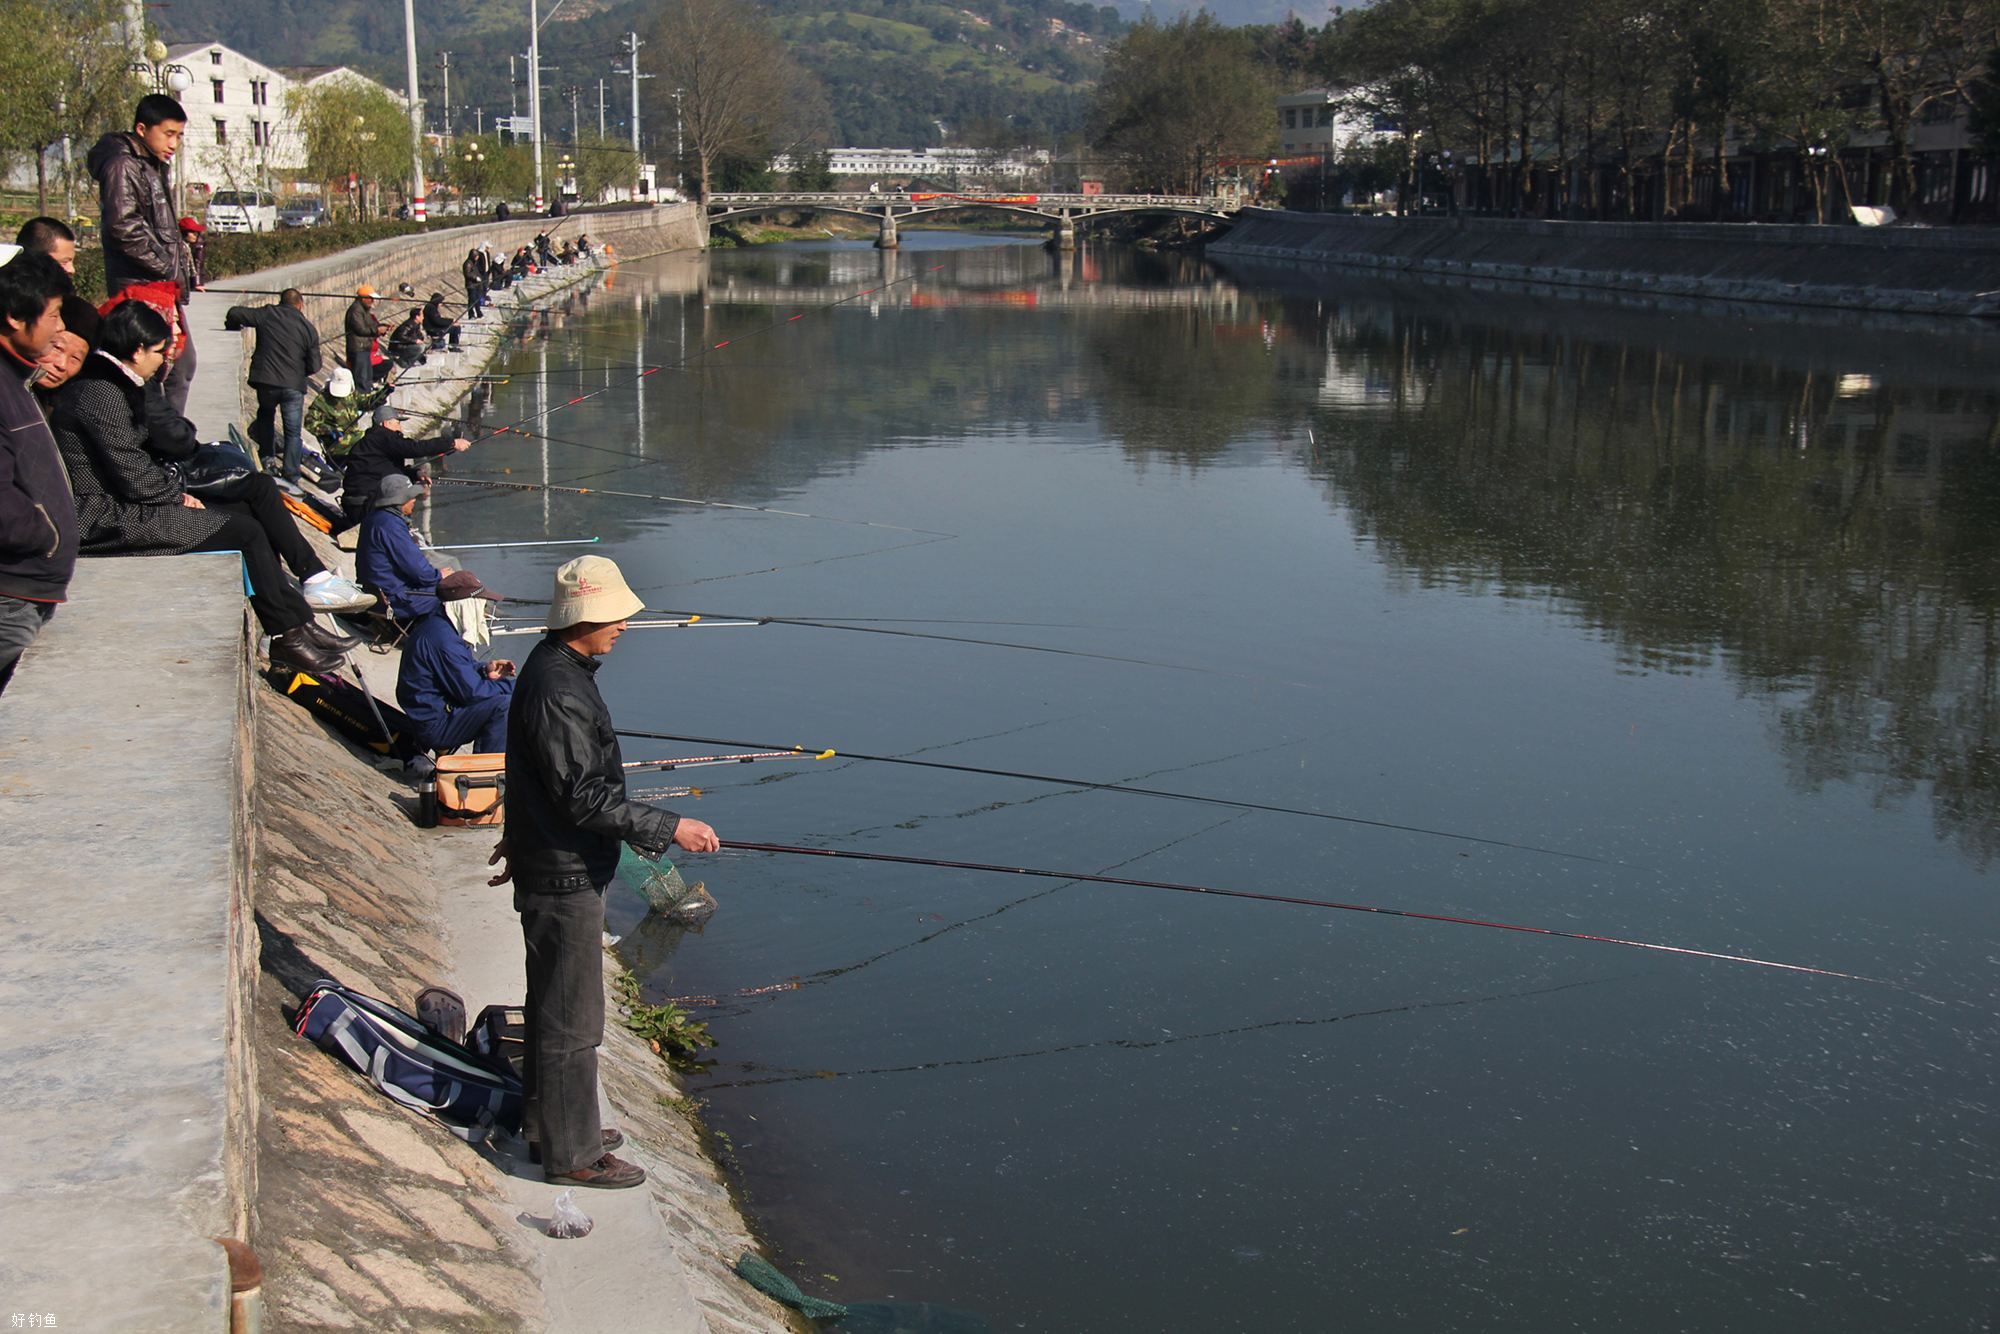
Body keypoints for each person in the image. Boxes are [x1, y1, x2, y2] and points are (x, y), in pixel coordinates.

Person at [488, 555, 720, 1188]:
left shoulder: (556, 670)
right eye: (615, 615)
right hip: (563, 876)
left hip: (554, 860)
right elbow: (582, 796)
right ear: (583, 617)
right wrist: (671, 826)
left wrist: (519, 836)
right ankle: (573, 1156)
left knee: (552, 1005)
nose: (623, 625)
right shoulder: (560, 688)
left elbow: (539, 779)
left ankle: (553, 1124)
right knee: (574, 1019)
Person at [48, 301, 368, 673]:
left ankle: (296, 624)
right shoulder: (100, 394)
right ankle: (286, 635)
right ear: (137, 351)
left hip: (123, 501)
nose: (161, 362)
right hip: (104, 516)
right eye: (157, 353)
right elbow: (133, 473)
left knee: (249, 512)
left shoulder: (110, 386)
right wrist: (177, 496)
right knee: (246, 531)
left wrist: (172, 493)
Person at [88, 95, 197, 414]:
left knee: (180, 364)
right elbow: (123, 227)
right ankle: (161, 445)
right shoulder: (124, 165)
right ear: (141, 129)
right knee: (161, 369)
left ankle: (168, 438)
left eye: (179, 136)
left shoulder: (149, 164)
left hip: (158, 285)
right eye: (168, 134)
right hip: (141, 286)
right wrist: (165, 266)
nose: (174, 144)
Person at [0, 252, 77, 696]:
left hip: (28, 590)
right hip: (11, 596)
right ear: (14, 316)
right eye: (53, 315)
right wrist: (45, 536)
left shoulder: (16, 380)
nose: (59, 328)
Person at [396, 570, 512, 756]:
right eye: (480, 604)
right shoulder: (444, 640)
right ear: (466, 606)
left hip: (430, 713)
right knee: (504, 705)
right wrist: (514, 687)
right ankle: (487, 773)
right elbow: (472, 693)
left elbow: (455, 671)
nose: (483, 610)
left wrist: (484, 670)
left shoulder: (438, 625)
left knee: (506, 693)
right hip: (435, 724)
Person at [224, 288, 321, 487]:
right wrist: (299, 369)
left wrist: (232, 325)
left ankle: (267, 460)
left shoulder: (268, 314)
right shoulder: (307, 327)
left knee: (266, 416)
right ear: (300, 304)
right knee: (293, 432)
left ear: (280, 301)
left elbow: (234, 312)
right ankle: (291, 474)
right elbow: (315, 365)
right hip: (293, 386)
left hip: (266, 382)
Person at [337, 403, 470, 530]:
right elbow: (414, 448)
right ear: (386, 423)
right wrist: (451, 444)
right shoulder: (383, 436)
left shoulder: (371, 441)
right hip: (365, 504)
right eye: (398, 423)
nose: (400, 428)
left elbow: (384, 469)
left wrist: (415, 473)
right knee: (404, 497)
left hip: (356, 503)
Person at [355, 472, 444, 622]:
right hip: (393, 599)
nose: (414, 500)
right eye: (410, 497)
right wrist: (440, 576)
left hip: (377, 592)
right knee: (456, 591)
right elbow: (419, 571)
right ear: (399, 500)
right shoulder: (392, 525)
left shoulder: (375, 518)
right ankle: (438, 641)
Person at [344, 286, 386, 392]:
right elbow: (360, 329)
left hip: (365, 348)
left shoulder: (365, 310)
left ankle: (367, 396)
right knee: (361, 378)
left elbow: (371, 325)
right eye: (370, 298)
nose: (372, 301)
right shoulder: (355, 310)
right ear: (363, 298)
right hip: (358, 349)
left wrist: (381, 328)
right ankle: (362, 400)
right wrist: (376, 330)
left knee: (368, 376)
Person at [178, 217, 207, 289]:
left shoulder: (187, 246)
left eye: (197, 233)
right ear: (184, 233)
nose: (195, 235)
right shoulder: (180, 248)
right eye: (192, 232)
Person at [460, 249, 486, 318]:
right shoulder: (468, 263)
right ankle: (471, 314)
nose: (477, 258)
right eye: (476, 256)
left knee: (477, 299)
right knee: (472, 300)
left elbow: (476, 272)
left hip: (476, 285)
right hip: (471, 285)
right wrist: (475, 278)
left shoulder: (474, 263)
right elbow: (467, 274)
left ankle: (479, 313)